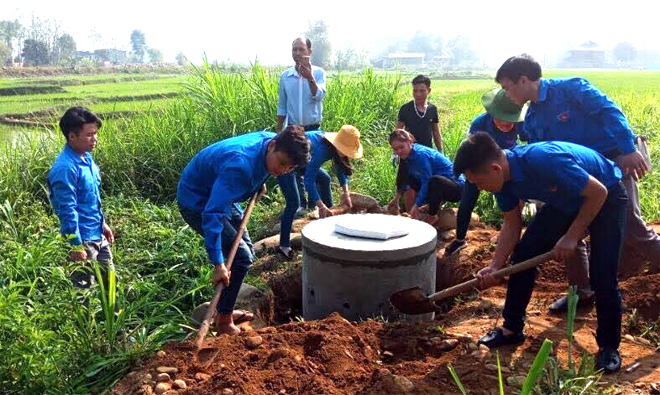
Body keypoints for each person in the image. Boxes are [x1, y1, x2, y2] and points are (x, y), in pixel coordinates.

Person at [495, 54, 659, 312]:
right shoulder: (534, 119)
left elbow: (609, 111)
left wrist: (628, 149)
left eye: (507, 87)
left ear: (524, 80)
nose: (505, 94)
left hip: (612, 165)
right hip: (575, 179)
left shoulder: (570, 88)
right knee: (568, 233)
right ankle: (581, 292)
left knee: (630, 225)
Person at [454, 132, 627, 373]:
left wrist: (572, 237)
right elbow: (512, 226)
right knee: (524, 254)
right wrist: (495, 266)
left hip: (606, 195)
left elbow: (597, 193)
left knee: (603, 275)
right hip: (566, 200)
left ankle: (609, 346)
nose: (480, 188)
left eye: (478, 183)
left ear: (494, 168)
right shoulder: (502, 182)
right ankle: (511, 328)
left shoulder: (543, 160)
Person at [177, 127, 310, 334]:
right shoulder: (239, 166)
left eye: (290, 167)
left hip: (221, 192)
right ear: (273, 145)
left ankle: (224, 310)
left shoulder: (271, 145)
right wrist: (219, 263)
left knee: (246, 251)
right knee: (240, 257)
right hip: (197, 200)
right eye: (282, 163)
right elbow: (212, 214)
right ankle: (224, 321)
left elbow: (265, 166)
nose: (284, 170)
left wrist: (258, 182)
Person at [445, 88, 527, 256]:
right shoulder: (480, 124)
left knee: (516, 205)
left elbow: (531, 140)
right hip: (480, 168)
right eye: (502, 119)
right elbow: (470, 151)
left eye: (510, 120)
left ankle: (514, 242)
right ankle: (460, 239)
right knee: (467, 202)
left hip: (507, 169)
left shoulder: (520, 123)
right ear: (492, 112)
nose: (506, 124)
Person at [48, 107, 115, 290]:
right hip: (83, 240)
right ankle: (86, 320)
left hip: (98, 234)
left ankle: (112, 318)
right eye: (89, 135)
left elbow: (91, 199)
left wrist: (103, 224)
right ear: (72, 136)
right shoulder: (65, 168)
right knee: (84, 292)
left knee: (110, 285)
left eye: (95, 134)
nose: (95, 139)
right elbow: (66, 209)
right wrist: (75, 245)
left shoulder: (86, 158)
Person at [277, 125, 363, 258]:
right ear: (339, 145)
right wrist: (320, 205)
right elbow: (309, 179)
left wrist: (346, 193)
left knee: (325, 179)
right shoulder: (323, 149)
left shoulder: (337, 148)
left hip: (304, 162)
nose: (347, 154)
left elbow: (342, 169)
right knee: (293, 203)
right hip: (285, 161)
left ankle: (330, 218)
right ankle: (284, 245)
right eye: (346, 151)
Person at [276, 37, 327, 218]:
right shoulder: (286, 76)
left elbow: (319, 96)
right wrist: (278, 130)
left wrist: (310, 78)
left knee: (312, 166)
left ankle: (315, 203)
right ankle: (300, 204)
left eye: (301, 49)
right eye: (294, 49)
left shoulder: (319, 73)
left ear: (309, 52)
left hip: (313, 128)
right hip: (293, 129)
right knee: (293, 165)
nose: (297, 53)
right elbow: (282, 105)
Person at [388, 129, 464, 227]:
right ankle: (430, 206)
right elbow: (404, 178)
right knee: (410, 177)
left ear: (410, 142)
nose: (399, 151)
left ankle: (432, 215)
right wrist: (396, 199)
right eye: (395, 149)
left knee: (434, 181)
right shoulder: (406, 155)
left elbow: (426, 181)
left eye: (401, 147)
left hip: (457, 188)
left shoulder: (420, 155)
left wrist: (416, 205)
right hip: (440, 186)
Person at [392, 75, 443, 212]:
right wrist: (395, 152)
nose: (418, 94)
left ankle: (429, 214)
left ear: (429, 90)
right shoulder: (406, 109)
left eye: (422, 91)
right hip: (408, 152)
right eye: (415, 91)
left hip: (427, 153)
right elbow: (397, 131)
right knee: (408, 184)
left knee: (428, 182)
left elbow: (436, 132)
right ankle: (409, 215)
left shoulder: (432, 109)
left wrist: (440, 151)